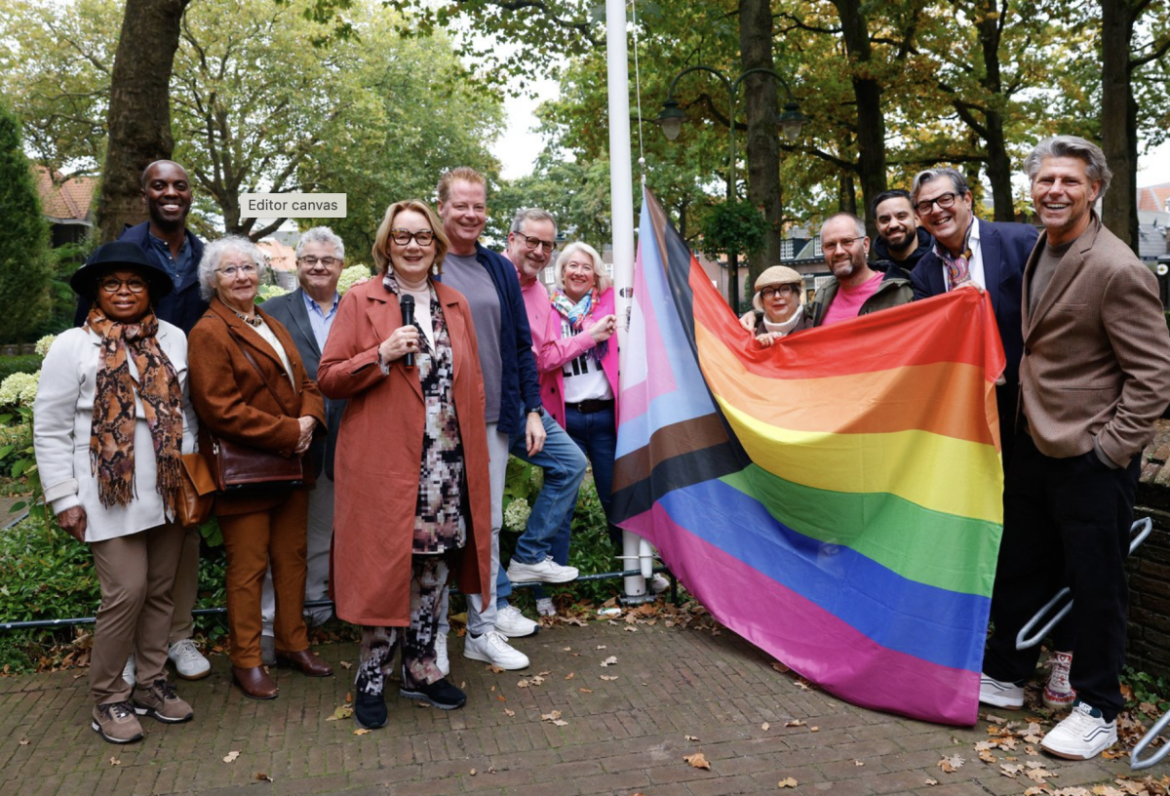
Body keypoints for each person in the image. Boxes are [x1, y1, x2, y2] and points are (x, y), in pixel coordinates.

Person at [979, 136, 1170, 760]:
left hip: (1090, 457)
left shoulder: (1116, 267)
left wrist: (1110, 452)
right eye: (1045, 180)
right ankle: (1007, 675)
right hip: (1033, 442)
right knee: (1022, 565)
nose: (1053, 190)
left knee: (1096, 585)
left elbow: (1153, 377)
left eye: (1069, 181)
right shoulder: (1042, 246)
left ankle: (1099, 708)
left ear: (1094, 190)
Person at [317, 200, 493, 723]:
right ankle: (371, 675)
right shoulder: (361, 298)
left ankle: (421, 668)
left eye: (422, 237)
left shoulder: (454, 303)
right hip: (385, 464)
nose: (413, 246)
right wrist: (382, 354)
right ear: (386, 246)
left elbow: (473, 383)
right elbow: (328, 377)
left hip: (445, 464)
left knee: (434, 567)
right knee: (384, 569)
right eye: (402, 237)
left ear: (437, 245)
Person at [36, 242, 199, 744]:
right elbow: (50, 427)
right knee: (125, 592)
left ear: (149, 289)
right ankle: (108, 697)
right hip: (107, 494)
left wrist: (190, 473)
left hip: (168, 489)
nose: (124, 291)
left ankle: (150, 684)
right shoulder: (72, 344)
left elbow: (185, 410)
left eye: (134, 282)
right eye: (112, 283)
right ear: (96, 292)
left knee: (160, 593)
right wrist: (64, 498)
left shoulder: (172, 337)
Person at [432, 168, 573, 672]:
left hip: (493, 418)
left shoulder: (496, 267)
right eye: (460, 205)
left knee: (485, 527)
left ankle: (482, 629)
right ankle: (427, 639)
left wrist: (531, 409)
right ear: (442, 206)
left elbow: (520, 344)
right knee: (434, 529)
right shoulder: (423, 262)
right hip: (435, 423)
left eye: (479, 206)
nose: (470, 215)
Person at [188, 236, 332, 700]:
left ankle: (293, 643)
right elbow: (220, 410)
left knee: (290, 562)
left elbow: (308, 379)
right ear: (212, 280)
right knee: (248, 570)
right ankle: (246, 660)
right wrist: (291, 433)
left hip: (290, 466)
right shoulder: (209, 331)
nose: (242, 276)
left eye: (248, 267)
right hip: (249, 472)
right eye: (230, 271)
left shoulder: (267, 319)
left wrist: (309, 418)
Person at [258, 227, 347, 665]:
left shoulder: (359, 310)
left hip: (347, 437)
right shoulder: (271, 310)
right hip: (290, 440)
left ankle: (314, 610)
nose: (318, 266)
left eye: (327, 260)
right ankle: (272, 623)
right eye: (309, 259)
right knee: (282, 538)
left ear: (340, 267)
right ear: (296, 263)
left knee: (323, 530)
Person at [909, 167, 1037, 466]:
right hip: (970, 412)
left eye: (945, 199)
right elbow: (932, 340)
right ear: (918, 216)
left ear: (967, 199)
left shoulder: (1019, 240)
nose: (937, 210)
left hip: (1029, 406)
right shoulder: (922, 273)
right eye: (925, 206)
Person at [744, 266, 811, 347]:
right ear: (761, 301)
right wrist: (758, 346)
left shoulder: (816, 326)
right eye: (769, 291)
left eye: (785, 289)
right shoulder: (749, 333)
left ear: (798, 295)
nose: (777, 296)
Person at [870, 189, 933, 271]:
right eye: (885, 220)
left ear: (917, 218)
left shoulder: (942, 260)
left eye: (901, 216)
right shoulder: (874, 274)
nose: (893, 225)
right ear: (877, 226)